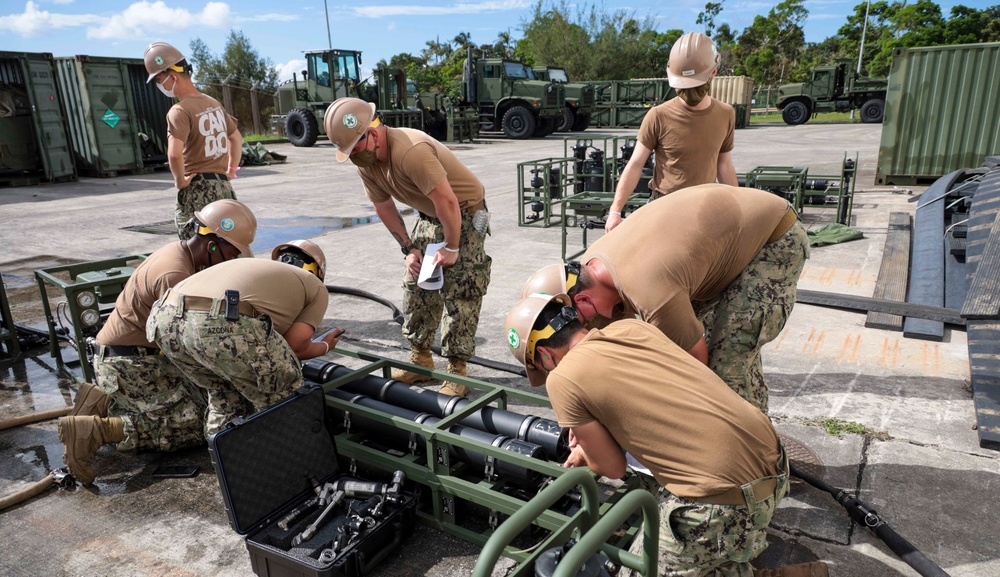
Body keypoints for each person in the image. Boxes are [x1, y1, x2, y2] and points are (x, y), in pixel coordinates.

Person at [504, 292, 836, 577]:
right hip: (773, 462)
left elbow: (612, 468)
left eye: (541, 366)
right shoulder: (630, 328)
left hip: (731, 497)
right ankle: (721, 545)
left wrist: (586, 452)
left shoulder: (562, 379)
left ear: (545, 355)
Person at [521, 183, 808, 414]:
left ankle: (756, 458)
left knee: (726, 365)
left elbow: (695, 362)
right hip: (720, 239)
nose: (578, 330)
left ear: (583, 301)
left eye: (575, 322)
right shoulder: (589, 269)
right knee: (697, 342)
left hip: (772, 239)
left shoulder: (650, 291)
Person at [58, 200, 257, 485]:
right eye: (233, 253)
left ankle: (100, 402)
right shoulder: (175, 277)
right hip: (130, 363)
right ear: (214, 246)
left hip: (131, 355)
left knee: (206, 398)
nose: (233, 260)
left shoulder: (182, 255)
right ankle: (97, 431)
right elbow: (188, 346)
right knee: (197, 421)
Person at [323, 97, 491, 397]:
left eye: (354, 149)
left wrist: (452, 248)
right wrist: (409, 249)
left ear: (372, 134)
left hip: (464, 212)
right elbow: (383, 205)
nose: (353, 157)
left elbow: (447, 201)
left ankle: (457, 371)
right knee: (417, 283)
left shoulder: (411, 150)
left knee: (460, 288)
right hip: (430, 214)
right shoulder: (367, 162)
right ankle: (421, 359)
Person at [147, 240, 343, 436]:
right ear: (316, 272)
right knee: (284, 392)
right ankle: (292, 451)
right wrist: (325, 346)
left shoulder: (261, 271)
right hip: (216, 323)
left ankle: (224, 452)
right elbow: (296, 347)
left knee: (225, 395)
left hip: (164, 319)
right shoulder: (315, 286)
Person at [605, 32, 737, 233]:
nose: (689, 92)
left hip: (703, 207)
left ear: (713, 73)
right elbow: (636, 164)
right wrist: (615, 211)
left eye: (695, 85)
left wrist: (738, 207)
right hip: (665, 208)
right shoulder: (658, 115)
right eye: (684, 86)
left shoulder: (725, 114)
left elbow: (724, 164)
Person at [143, 41, 242, 240]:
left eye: (159, 80)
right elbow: (236, 138)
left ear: (172, 76)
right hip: (223, 188)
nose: (159, 86)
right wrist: (231, 170)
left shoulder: (179, 111)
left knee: (195, 246)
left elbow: (174, 154)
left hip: (197, 189)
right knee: (226, 243)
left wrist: (180, 180)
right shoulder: (213, 103)